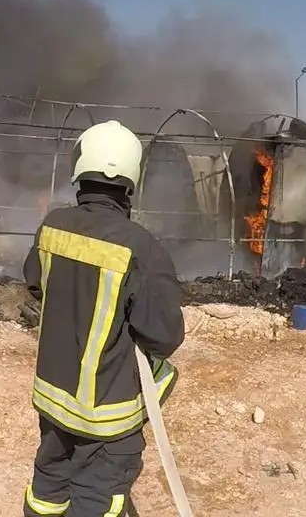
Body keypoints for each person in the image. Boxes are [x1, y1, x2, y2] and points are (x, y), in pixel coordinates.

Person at [21, 120, 186, 517]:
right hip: (105, 419)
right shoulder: (140, 247)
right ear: (131, 179)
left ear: (80, 170)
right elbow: (164, 337)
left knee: (48, 485)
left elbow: (35, 284)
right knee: (97, 499)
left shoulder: (52, 228)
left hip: (53, 403)